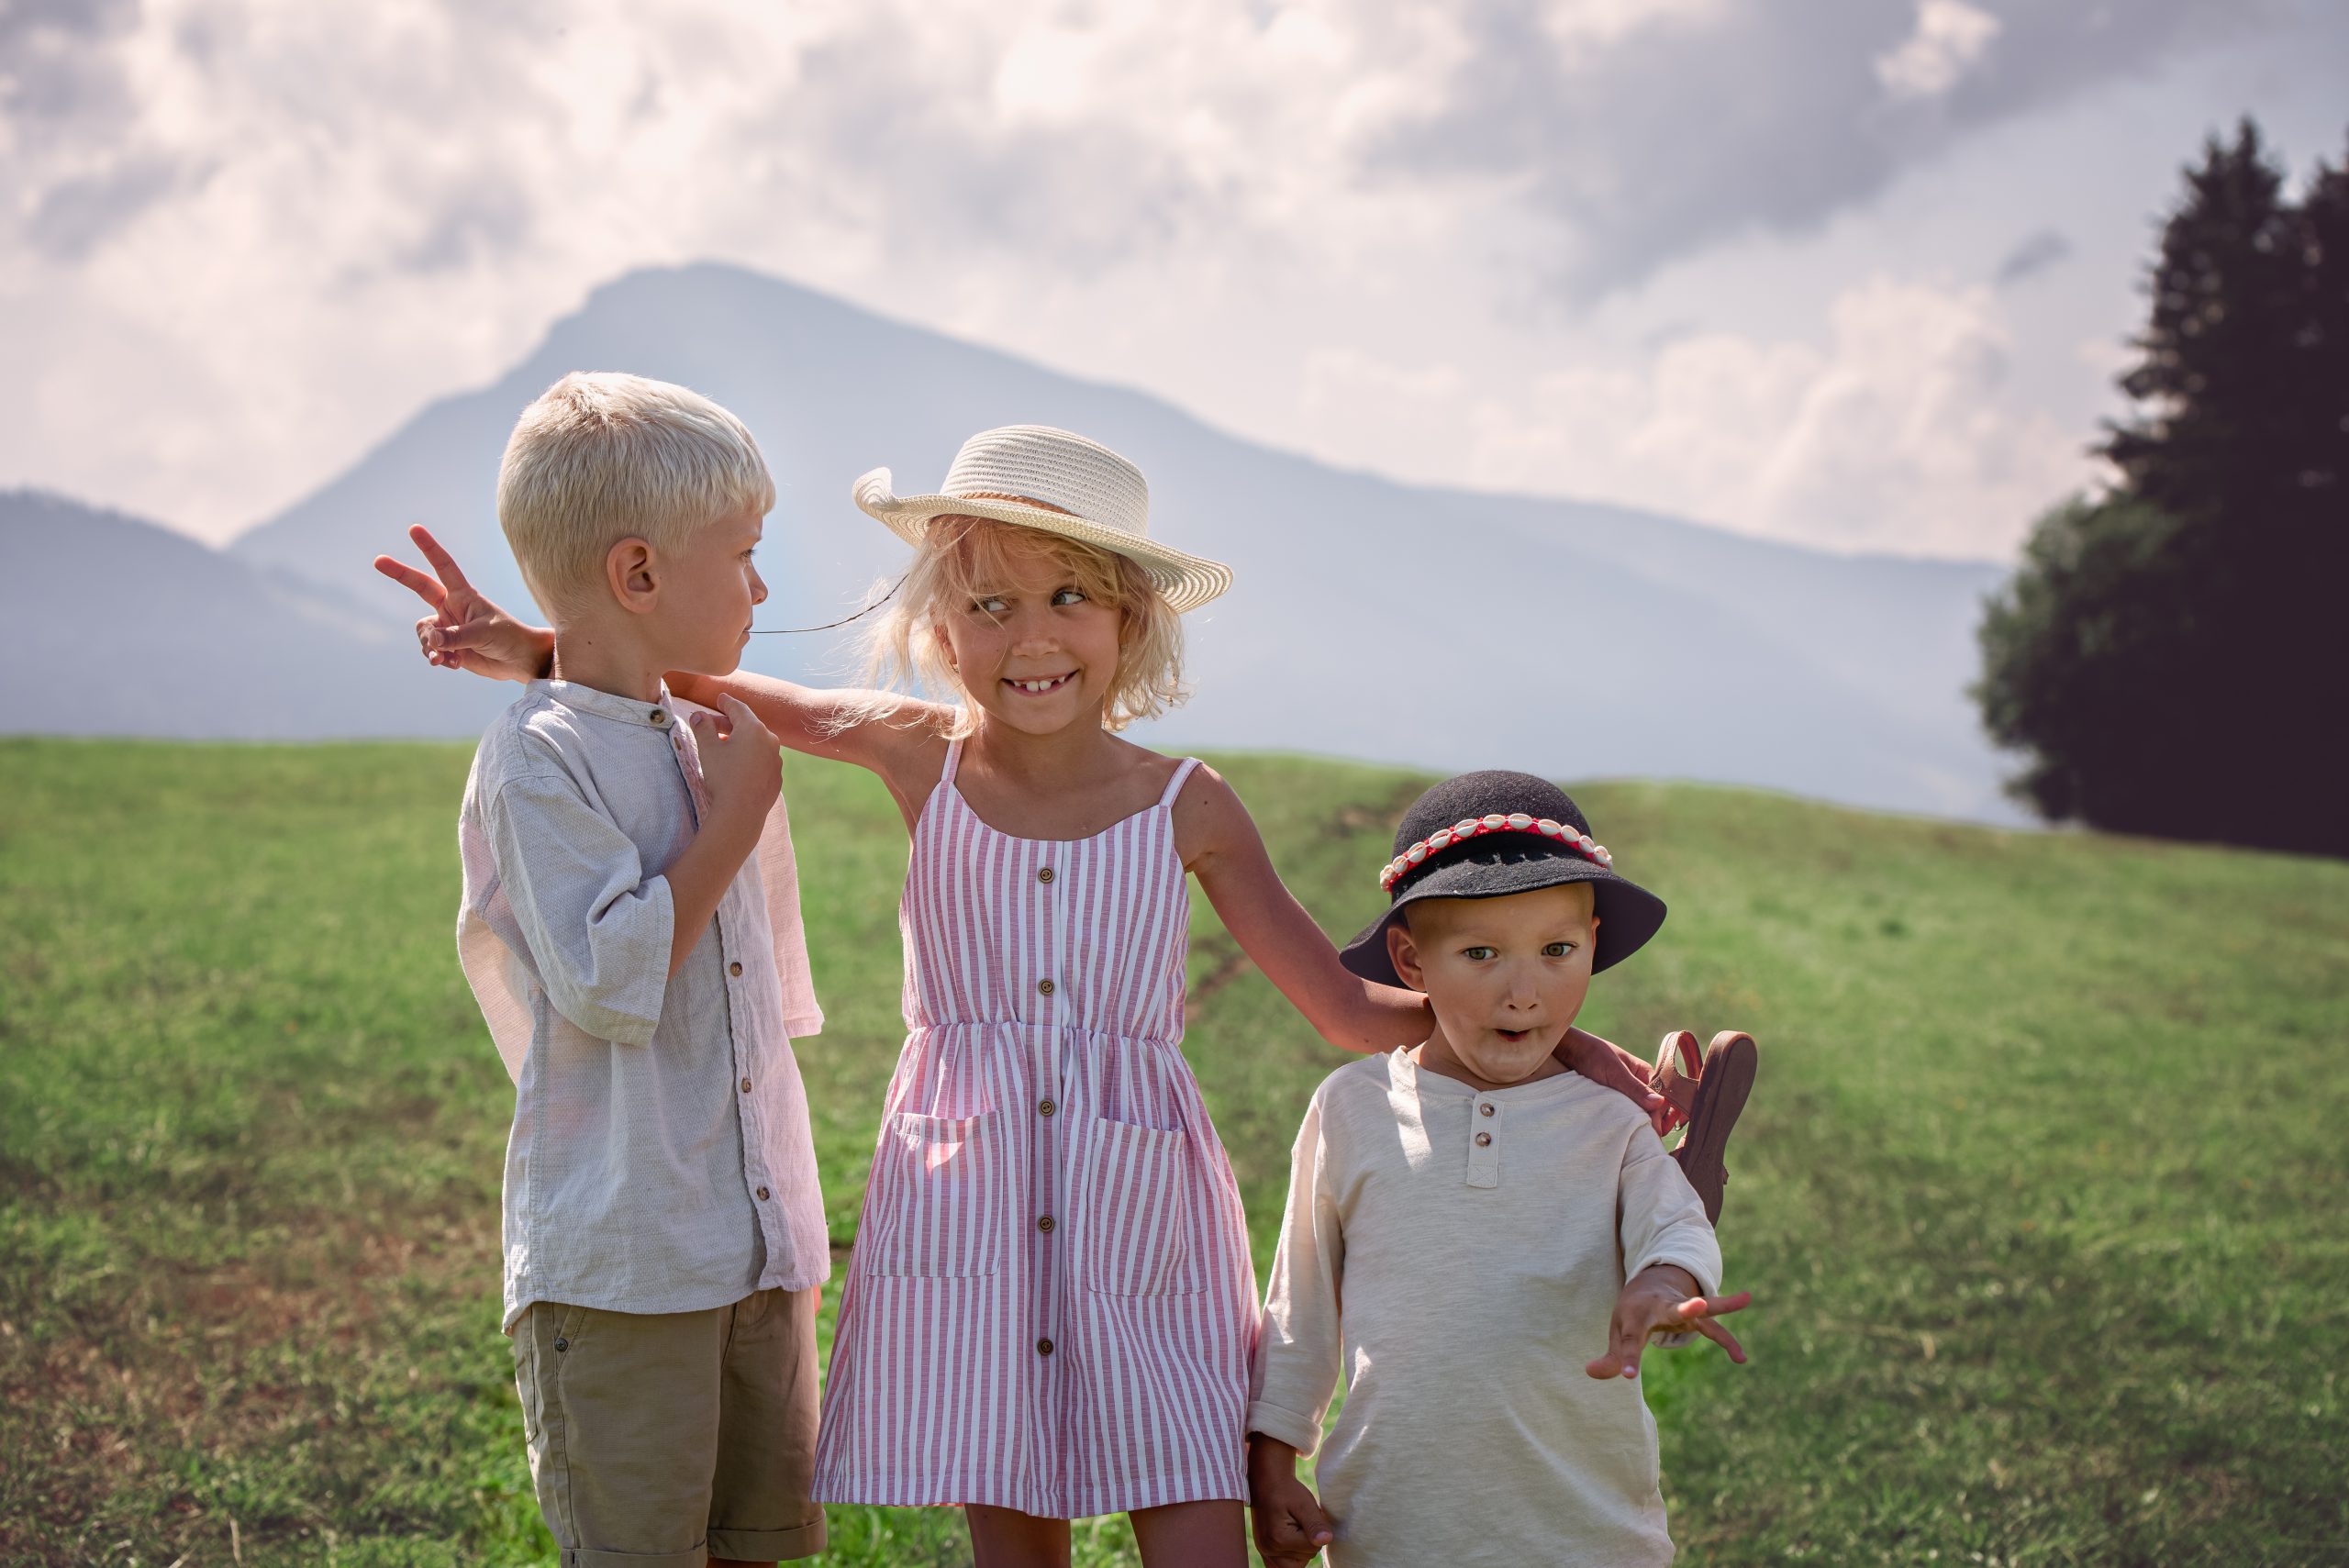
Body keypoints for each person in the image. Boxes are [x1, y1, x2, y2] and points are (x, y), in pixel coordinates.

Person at [376, 424, 1679, 1567]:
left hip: (1143, 1210)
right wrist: (532, 648)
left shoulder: (1190, 805)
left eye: (1071, 598)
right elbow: (698, 680)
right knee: (1006, 1500)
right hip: (970, 1201)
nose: (1033, 636)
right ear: (938, 629)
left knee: (1188, 1487)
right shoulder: (916, 753)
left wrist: (1552, 1041)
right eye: (988, 605)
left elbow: (1347, 1012)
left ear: (1131, 623)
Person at [414, 372, 831, 1567]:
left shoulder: (702, 727)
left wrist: (547, 645)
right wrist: (734, 820)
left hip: (756, 1243)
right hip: (629, 1269)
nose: (761, 588)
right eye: (744, 555)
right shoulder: (536, 757)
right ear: (639, 573)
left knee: (759, 1542)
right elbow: (609, 979)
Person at [1246, 771, 1755, 1568]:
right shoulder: (1353, 1108)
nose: (1524, 991)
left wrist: (1663, 1284)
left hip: (1586, 1535)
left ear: (1593, 943)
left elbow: (1676, 1226)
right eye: (1480, 953)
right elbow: (1298, 1303)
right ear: (1411, 960)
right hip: (1394, 1531)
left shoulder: (1610, 1124)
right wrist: (1273, 1460)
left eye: (1557, 951)